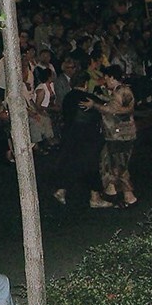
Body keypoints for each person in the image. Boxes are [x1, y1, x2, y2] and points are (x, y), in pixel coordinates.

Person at [80, 65, 137, 208]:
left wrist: (95, 105)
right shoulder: (121, 90)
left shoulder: (122, 91)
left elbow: (113, 109)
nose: (105, 81)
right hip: (119, 134)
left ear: (112, 77)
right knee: (111, 163)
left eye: (107, 78)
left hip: (120, 135)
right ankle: (114, 192)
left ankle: (127, 196)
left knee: (119, 166)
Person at [52, 71, 112, 208]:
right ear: (85, 83)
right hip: (87, 136)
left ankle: (61, 190)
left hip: (70, 134)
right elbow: (104, 107)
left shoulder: (68, 97)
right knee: (91, 165)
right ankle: (95, 197)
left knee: (70, 162)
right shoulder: (88, 98)